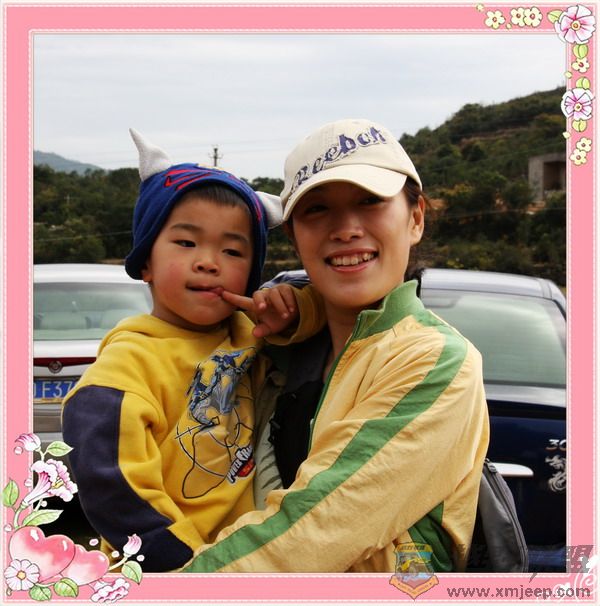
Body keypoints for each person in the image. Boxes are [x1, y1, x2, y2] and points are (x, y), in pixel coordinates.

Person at [183, 118, 490, 573]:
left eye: (370, 201)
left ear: (415, 219)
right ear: (294, 236)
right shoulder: (275, 351)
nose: (346, 229)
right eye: (317, 209)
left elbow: (316, 528)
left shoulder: (436, 361)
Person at [62, 130, 324, 572]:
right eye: (186, 243)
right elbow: (113, 489)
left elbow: (320, 308)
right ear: (146, 262)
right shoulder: (126, 368)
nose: (208, 261)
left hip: (251, 555)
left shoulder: (248, 332)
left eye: (232, 250)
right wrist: (189, 566)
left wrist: (294, 308)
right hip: (171, 567)